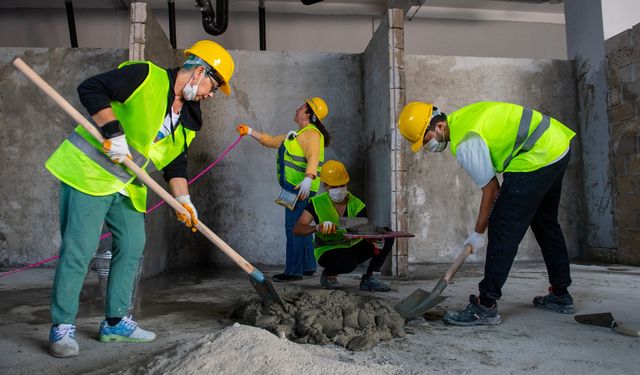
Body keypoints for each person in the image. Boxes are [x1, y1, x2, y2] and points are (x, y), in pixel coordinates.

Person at [45, 40, 235, 357]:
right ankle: (62, 327)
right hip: (89, 173)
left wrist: (184, 199)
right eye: (212, 85)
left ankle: (116, 322)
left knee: (133, 245)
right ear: (198, 71)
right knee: (80, 250)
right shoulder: (146, 76)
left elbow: (175, 162)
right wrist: (113, 131)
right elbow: (91, 89)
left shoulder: (190, 116)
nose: (210, 94)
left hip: (128, 183)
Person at [398, 101, 575, 326]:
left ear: (440, 126)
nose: (426, 146)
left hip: (536, 154)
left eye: (426, 138)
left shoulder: (466, 142)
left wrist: (478, 233)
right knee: (545, 222)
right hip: (556, 144)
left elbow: (492, 191)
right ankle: (560, 295)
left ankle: (485, 305)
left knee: (503, 224)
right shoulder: (462, 118)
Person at [236, 98, 329, 282]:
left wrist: (308, 179)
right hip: (294, 187)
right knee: (301, 226)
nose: (297, 108)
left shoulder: (312, 134)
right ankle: (308, 266)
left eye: (301, 107)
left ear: (308, 115)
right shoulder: (295, 136)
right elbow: (270, 141)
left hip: (299, 188)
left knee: (293, 228)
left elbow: (314, 156)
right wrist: (250, 131)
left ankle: (293, 271)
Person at [292, 160, 393, 291]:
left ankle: (370, 278)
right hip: (328, 249)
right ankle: (328, 276)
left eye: (342, 185)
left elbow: (361, 230)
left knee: (387, 236)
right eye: (334, 187)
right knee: (347, 262)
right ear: (325, 186)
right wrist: (316, 228)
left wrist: (372, 238)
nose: (339, 189)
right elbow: (298, 228)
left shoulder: (357, 204)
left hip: (352, 245)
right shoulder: (316, 203)